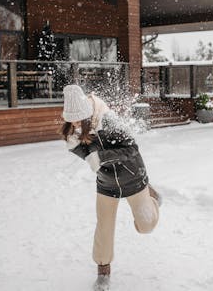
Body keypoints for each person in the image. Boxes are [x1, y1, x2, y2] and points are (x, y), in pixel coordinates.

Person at [60, 84, 161, 291]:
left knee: (146, 226)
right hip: (106, 184)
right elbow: (89, 157)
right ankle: (103, 271)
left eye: (78, 120)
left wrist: (102, 157)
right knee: (103, 227)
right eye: (71, 121)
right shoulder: (74, 128)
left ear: (88, 115)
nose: (75, 124)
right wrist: (76, 148)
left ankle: (152, 197)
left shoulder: (108, 120)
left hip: (133, 177)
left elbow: (132, 148)